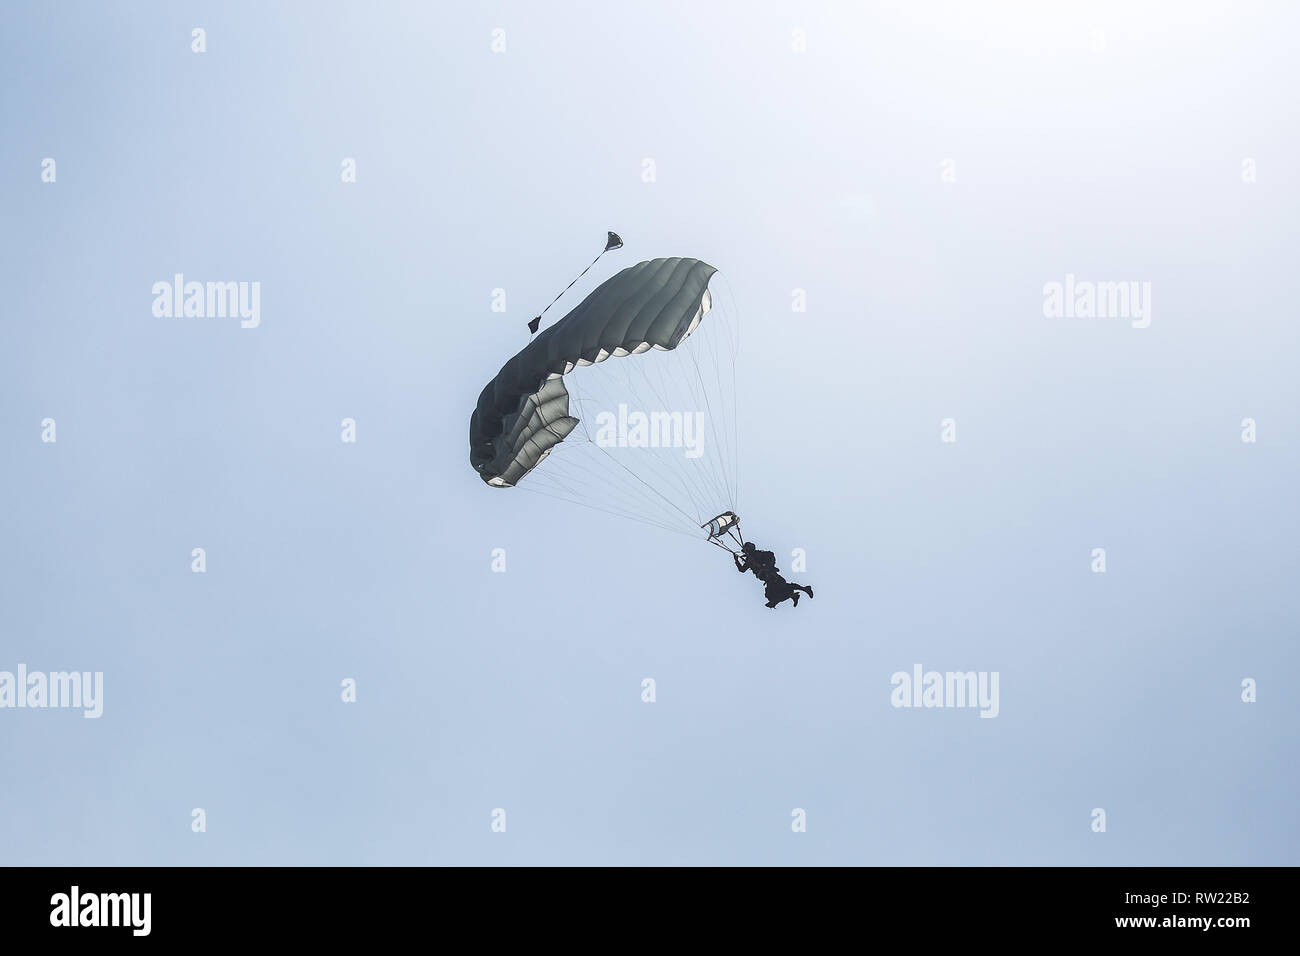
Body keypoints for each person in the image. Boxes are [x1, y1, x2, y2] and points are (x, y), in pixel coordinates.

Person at [734, 542, 814, 609]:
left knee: (782, 587)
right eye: (745, 551)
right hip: (766, 578)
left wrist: (765, 565)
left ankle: (804, 589)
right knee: (772, 594)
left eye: (746, 550)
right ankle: (793, 595)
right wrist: (736, 560)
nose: (745, 552)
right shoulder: (749, 560)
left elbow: (771, 555)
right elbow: (742, 570)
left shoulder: (758, 554)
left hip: (771, 575)